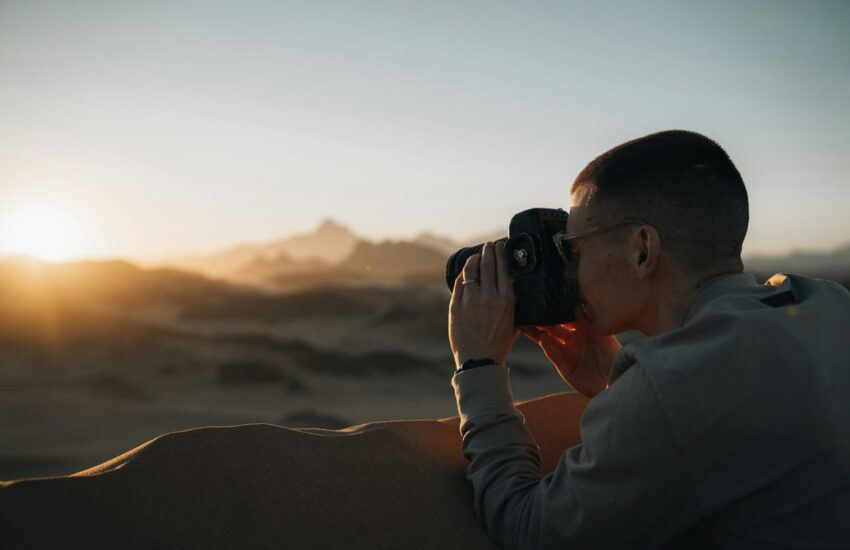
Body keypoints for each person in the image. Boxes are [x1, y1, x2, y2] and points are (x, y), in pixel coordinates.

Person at [448, 130, 850, 548]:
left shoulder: (671, 391)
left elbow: (529, 529)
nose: (569, 273)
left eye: (574, 250)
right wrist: (613, 379)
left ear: (642, 249)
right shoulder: (826, 304)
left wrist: (479, 367)